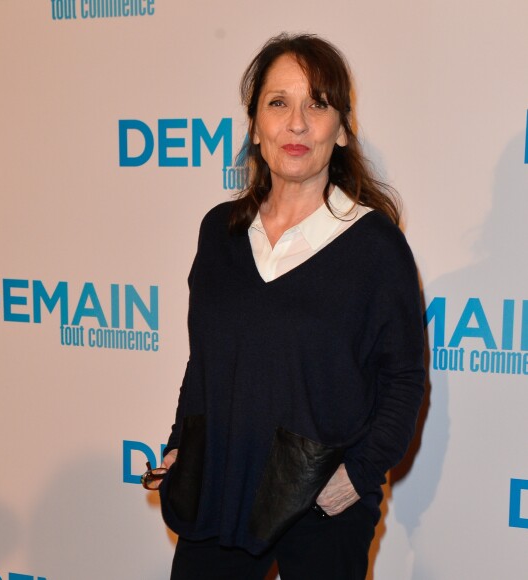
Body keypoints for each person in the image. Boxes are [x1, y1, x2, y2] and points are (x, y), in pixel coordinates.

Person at [152, 33, 425, 580]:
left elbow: (403, 379)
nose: (296, 123)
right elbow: (203, 361)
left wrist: (355, 476)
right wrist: (183, 444)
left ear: (342, 129)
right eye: (278, 103)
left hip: (321, 500)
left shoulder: (374, 245)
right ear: (255, 126)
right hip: (221, 487)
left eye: (316, 104)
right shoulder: (220, 233)